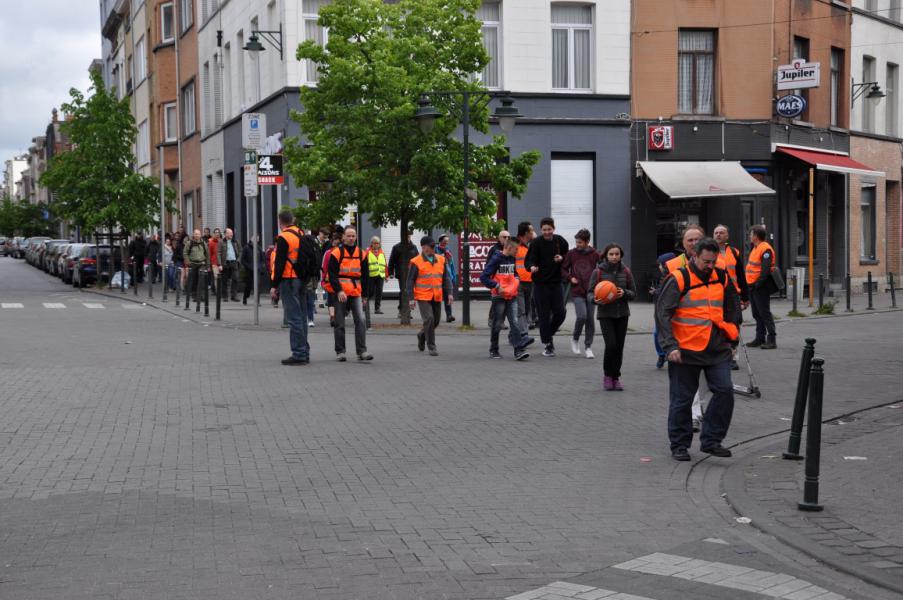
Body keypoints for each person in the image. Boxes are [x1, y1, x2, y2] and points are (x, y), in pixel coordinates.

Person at [655, 237, 739, 461]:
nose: (710, 266)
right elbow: (662, 313)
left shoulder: (721, 277)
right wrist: (669, 346)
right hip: (685, 350)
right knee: (682, 400)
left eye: (713, 262)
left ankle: (711, 441)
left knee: (725, 391)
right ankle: (679, 445)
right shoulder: (679, 278)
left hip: (716, 348)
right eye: (706, 262)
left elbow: (732, 310)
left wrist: (732, 342)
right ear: (694, 256)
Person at [589, 243, 637, 390]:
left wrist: (624, 293)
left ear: (620, 255)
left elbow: (633, 292)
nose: (614, 257)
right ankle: (607, 376)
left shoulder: (626, 271)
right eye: (611, 254)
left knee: (619, 347)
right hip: (605, 314)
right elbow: (590, 292)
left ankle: (616, 378)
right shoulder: (598, 272)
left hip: (622, 313)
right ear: (606, 255)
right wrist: (594, 299)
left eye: (617, 254)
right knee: (611, 345)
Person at [480, 238, 534, 360]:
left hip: (512, 296)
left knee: (514, 322)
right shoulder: (496, 259)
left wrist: (516, 280)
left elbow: (515, 273)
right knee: (497, 323)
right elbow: (483, 277)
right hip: (499, 297)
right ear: (509, 248)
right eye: (516, 249)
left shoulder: (512, 259)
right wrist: (496, 286)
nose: (517, 252)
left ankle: (518, 351)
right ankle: (494, 349)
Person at [270, 211, 311, 366]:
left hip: (288, 280)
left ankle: (299, 354)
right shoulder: (301, 233)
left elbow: (279, 264)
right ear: (292, 220)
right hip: (301, 279)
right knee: (302, 317)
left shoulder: (283, 238)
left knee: (293, 318)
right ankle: (305, 352)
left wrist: (274, 286)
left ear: (280, 222)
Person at [326, 226, 372, 361]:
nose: (351, 238)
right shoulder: (336, 253)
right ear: (344, 237)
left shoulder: (362, 253)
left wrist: (365, 295)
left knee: (361, 320)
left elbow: (366, 276)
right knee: (339, 322)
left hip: (356, 291)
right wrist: (339, 290)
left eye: (353, 236)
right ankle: (340, 352)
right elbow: (332, 275)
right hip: (341, 292)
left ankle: (362, 351)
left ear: (356, 237)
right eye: (349, 236)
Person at [525, 217, 569, 357]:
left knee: (560, 312)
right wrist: (531, 266)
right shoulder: (536, 243)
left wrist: (562, 258)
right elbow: (530, 259)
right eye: (544, 230)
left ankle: (548, 333)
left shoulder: (559, 241)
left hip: (556, 283)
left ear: (553, 228)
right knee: (543, 315)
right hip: (540, 284)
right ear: (541, 230)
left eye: (549, 229)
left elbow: (568, 256)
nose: (547, 232)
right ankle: (548, 345)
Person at [407, 236, 454, 356]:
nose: (434, 248)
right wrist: (411, 298)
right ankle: (432, 346)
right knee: (429, 319)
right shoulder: (416, 261)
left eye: (434, 246)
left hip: (436, 295)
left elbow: (446, 278)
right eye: (431, 246)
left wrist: (449, 293)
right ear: (424, 247)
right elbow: (410, 280)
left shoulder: (441, 260)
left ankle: (422, 335)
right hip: (423, 296)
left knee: (436, 321)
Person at [713, 225, 749, 369]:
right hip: (716, 295)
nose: (718, 235)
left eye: (721, 233)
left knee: (734, 326)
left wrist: (745, 297)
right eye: (716, 233)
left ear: (727, 236)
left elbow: (741, 275)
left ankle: (733, 357)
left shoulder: (734, 252)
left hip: (733, 295)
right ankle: (719, 355)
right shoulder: (708, 252)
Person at [561, 228, 599, 359]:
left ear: (587, 242)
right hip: (577, 291)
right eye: (576, 242)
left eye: (580, 242)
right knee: (582, 316)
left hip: (591, 291)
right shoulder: (571, 254)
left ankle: (588, 347)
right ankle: (575, 339)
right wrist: (570, 278)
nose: (577, 245)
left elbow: (603, 266)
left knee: (590, 320)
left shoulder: (595, 254)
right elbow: (563, 269)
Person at [746, 224, 777, 349]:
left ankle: (771, 339)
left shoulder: (765, 249)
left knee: (764, 313)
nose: (749, 236)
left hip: (760, 287)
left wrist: (757, 284)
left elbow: (764, 271)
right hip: (753, 286)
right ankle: (760, 338)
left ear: (756, 236)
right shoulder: (755, 248)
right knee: (756, 313)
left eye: (751, 234)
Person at [650, 252, 676, 369]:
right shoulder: (663, 277)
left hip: (673, 314)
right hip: (661, 313)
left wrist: (656, 292)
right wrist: (656, 292)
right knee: (657, 334)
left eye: (660, 264)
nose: (659, 267)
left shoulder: (675, 276)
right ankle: (661, 355)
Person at [388, 230, 418, 318]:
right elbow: (392, 260)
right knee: (403, 291)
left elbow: (418, 260)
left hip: (412, 273)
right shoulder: (397, 247)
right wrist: (390, 272)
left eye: (409, 236)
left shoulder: (414, 247)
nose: (408, 238)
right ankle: (402, 310)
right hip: (401, 273)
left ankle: (408, 311)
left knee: (410, 292)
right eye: (406, 236)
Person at [515, 222, 537, 331]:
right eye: (531, 231)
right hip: (518, 283)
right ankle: (522, 335)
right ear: (526, 233)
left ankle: (515, 335)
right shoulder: (513, 243)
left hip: (530, 281)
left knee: (527, 310)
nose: (533, 232)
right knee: (521, 310)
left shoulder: (530, 245)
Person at [486, 231, 511, 328]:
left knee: (506, 301)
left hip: (508, 280)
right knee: (497, 301)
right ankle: (492, 319)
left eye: (508, 237)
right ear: (499, 238)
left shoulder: (510, 249)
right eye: (504, 237)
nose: (507, 239)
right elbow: (489, 264)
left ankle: (501, 321)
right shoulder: (494, 249)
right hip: (496, 280)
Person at [363, 236, 387, 329]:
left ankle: (377, 308)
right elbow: (364, 264)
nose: (376, 245)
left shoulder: (381, 252)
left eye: (377, 243)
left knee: (379, 292)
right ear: (371, 243)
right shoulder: (367, 252)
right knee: (371, 292)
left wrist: (387, 275)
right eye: (374, 243)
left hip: (380, 275)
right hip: (371, 275)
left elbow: (385, 264)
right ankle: (366, 306)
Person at [183, 229, 210, 302]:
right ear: (193, 235)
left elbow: (207, 254)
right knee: (194, 280)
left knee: (201, 280)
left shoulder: (203, 243)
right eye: (195, 234)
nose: (197, 235)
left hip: (202, 264)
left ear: (200, 235)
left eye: (198, 234)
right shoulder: (189, 243)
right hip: (193, 264)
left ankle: (200, 295)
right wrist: (188, 262)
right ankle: (194, 295)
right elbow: (185, 253)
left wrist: (208, 265)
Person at [321, 233, 341, 326]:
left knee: (331, 299)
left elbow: (324, 267)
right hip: (340, 279)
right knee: (338, 298)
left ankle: (332, 316)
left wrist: (323, 280)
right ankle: (336, 316)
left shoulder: (328, 253)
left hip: (330, 279)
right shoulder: (342, 252)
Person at [436, 234, 457, 323]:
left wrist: (453, 276)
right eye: (445, 241)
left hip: (447, 275)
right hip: (438, 276)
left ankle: (449, 315)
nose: (446, 243)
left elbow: (451, 264)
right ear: (440, 241)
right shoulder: (435, 249)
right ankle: (435, 316)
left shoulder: (447, 250)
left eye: (447, 242)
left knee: (447, 296)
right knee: (436, 298)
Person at [217, 228, 241, 301]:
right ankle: (225, 296)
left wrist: (238, 260)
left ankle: (234, 296)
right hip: (225, 263)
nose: (231, 234)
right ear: (225, 234)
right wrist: (220, 264)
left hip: (234, 262)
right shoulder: (221, 242)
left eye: (232, 233)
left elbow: (240, 251)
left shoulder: (236, 241)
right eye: (230, 233)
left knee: (235, 279)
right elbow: (218, 253)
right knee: (225, 280)